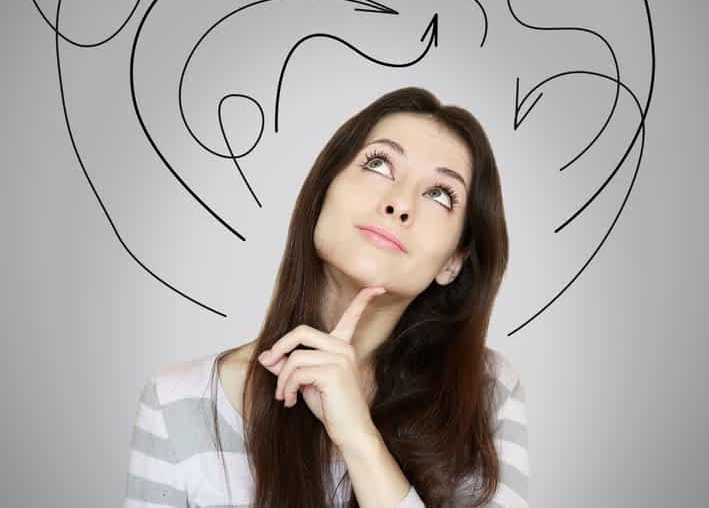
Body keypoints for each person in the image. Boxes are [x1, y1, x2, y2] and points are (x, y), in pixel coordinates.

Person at [124, 86, 529, 507]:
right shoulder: (177, 404)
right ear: (322, 192)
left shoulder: (486, 392)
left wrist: (359, 438)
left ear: (454, 262)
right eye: (379, 163)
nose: (399, 203)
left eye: (439, 194)